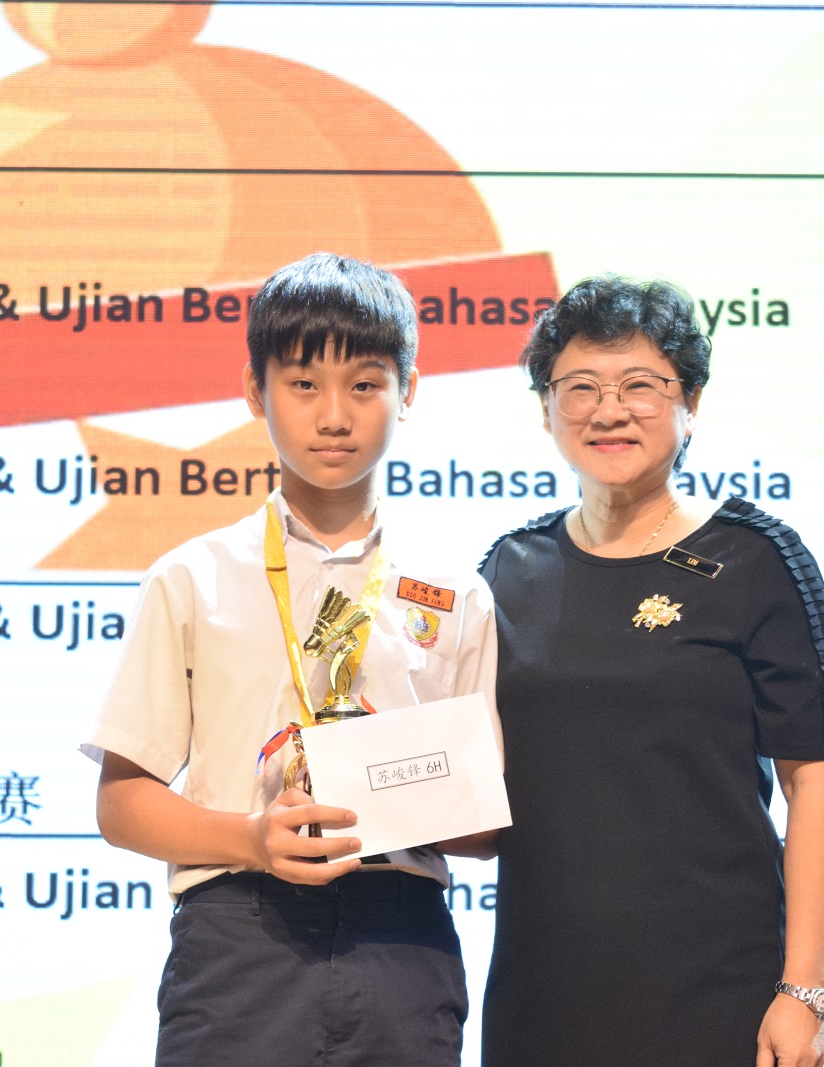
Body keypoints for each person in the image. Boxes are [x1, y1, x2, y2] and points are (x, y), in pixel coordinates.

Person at [83, 253, 498, 1065]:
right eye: (304, 383)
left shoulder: (459, 592)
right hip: (239, 935)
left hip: (400, 938)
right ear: (255, 389)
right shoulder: (192, 577)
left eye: (366, 384)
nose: (334, 415)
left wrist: (397, 785)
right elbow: (122, 804)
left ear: (409, 391)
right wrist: (250, 838)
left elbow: (484, 826)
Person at [478, 275, 824, 1067]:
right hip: (541, 997)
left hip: (718, 992)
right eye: (580, 387)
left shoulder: (757, 560)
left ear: (692, 401)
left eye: (640, 385)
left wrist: (805, 990)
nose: (608, 411)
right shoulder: (508, 570)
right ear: (546, 409)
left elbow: (816, 784)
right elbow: (471, 790)